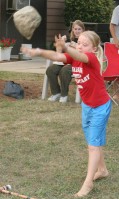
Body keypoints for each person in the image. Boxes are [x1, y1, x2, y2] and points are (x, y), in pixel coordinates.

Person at [21, 30, 112, 198]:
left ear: (93, 49)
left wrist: (66, 47)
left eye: (85, 45)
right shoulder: (74, 59)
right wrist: (38, 52)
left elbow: (80, 56)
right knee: (94, 141)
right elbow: (57, 57)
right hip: (87, 106)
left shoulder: (90, 59)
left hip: (100, 106)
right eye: (79, 43)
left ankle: (88, 183)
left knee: (92, 145)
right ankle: (103, 170)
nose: (80, 47)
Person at [46, 20, 85, 103]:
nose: (77, 31)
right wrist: (60, 44)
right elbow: (57, 53)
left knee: (65, 70)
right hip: (65, 62)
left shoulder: (85, 40)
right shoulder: (68, 39)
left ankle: (64, 95)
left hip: (77, 63)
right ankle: (56, 93)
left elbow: (86, 54)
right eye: (75, 29)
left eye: (79, 29)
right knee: (51, 70)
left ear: (83, 30)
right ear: (72, 30)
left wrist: (77, 46)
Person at [109, 5, 119, 100]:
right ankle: (116, 94)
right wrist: (116, 40)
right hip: (117, 43)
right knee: (116, 67)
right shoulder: (118, 9)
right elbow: (112, 25)